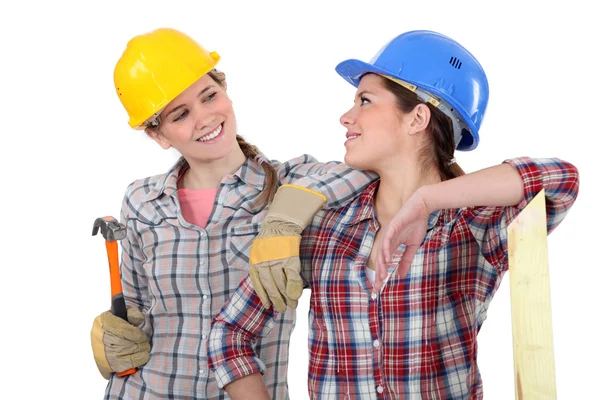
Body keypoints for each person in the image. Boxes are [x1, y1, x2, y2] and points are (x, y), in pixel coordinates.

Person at [208, 30, 579, 399]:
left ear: (417, 118)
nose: (346, 117)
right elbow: (230, 335)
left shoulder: (471, 227)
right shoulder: (326, 228)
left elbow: (560, 179)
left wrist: (426, 201)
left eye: (365, 101)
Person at [90, 27, 377, 400]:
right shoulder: (142, 200)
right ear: (158, 135)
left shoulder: (289, 182)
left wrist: (285, 215)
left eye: (210, 96)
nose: (205, 117)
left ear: (224, 90)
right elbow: (137, 305)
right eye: (180, 114)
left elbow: (369, 170)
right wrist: (114, 335)